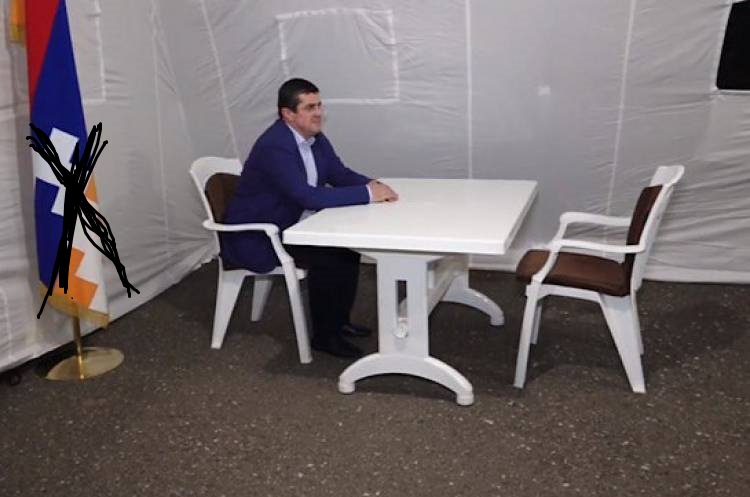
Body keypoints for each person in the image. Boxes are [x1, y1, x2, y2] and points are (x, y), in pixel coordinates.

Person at [222, 78, 398, 359]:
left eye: (319, 106)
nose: (318, 113)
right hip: (258, 235)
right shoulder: (275, 146)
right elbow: (308, 197)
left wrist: (374, 185)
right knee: (330, 255)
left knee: (346, 250)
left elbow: (339, 174)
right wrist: (368, 194)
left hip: (289, 222)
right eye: (309, 108)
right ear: (288, 114)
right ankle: (325, 337)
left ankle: (339, 322)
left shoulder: (313, 137)